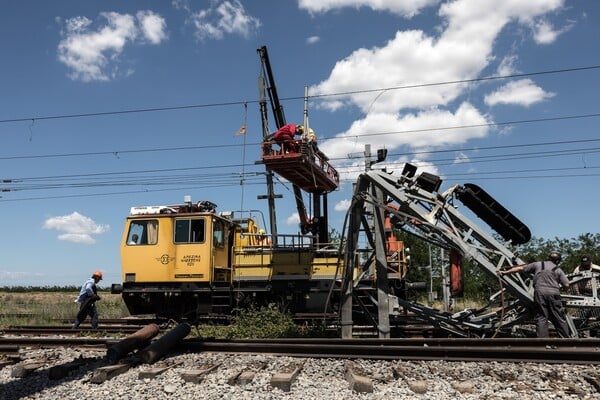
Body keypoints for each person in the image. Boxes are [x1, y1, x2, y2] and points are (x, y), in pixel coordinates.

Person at [497, 252, 570, 338]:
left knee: (542, 317)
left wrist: (505, 273)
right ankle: (565, 340)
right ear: (558, 261)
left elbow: (520, 268)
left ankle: (543, 342)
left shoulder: (538, 264)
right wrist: (562, 288)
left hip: (540, 293)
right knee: (558, 317)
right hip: (554, 293)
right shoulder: (558, 270)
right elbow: (567, 285)